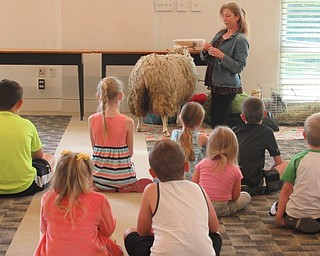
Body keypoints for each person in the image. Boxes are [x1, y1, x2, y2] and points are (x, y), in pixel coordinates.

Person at [123, 140, 222, 256]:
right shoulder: (198, 188)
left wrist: (159, 231)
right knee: (217, 236)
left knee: (129, 233)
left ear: (152, 173)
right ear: (186, 166)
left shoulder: (151, 190)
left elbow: (142, 231)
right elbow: (214, 227)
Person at [34, 150, 123, 256]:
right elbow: (108, 231)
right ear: (89, 177)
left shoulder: (47, 198)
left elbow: (44, 230)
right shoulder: (99, 199)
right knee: (112, 244)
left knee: (45, 238)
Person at [88, 77, 152, 192]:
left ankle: (101, 185)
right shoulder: (128, 122)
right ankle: (126, 185)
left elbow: (94, 149)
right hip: (124, 177)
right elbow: (130, 153)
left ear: (99, 96)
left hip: (99, 177)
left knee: (87, 171)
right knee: (128, 171)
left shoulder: (91, 120)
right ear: (121, 96)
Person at [0, 79, 55, 197]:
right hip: (24, 187)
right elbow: (38, 156)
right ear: (19, 103)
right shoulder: (27, 125)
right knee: (49, 157)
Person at [200, 2, 250, 128]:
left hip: (228, 86)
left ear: (237, 17)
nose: (225, 19)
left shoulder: (241, 39)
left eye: (228, 16)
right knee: (215, 120)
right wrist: (205, 51)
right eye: (223, 16)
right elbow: (206, 58)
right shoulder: (220, 34)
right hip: (215, 83)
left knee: (219, 122)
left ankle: (252, 122)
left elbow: (239, 67)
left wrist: (222, 56)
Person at [270, 112, 320, 234]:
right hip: (317, 212)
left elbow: (286, 190)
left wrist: (279, 216)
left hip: (295, 210)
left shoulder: (297, 160)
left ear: (303, 135)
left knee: (280, 206)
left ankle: (290, 218)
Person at [232, 97, 288, 195]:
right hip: (255, 184)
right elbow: (278, 162)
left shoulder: (234, 131)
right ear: (265, 114)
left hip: (234, 180)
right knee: (287, 163)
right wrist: (270, 171)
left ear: (242, 117)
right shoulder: (267, 132)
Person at [193, 126, 251, 217]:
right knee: (246, 196)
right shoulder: (235, 169)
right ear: (234, 148)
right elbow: (235, 197)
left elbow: (194, 186)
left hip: (202, 206)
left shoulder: (202, 163)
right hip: (223, 208)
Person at [171, 101, 208, 180]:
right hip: (194, 180)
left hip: (175, 177)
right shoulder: (202, 138)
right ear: (200, 122)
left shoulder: (175, 134)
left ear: (181, 117)